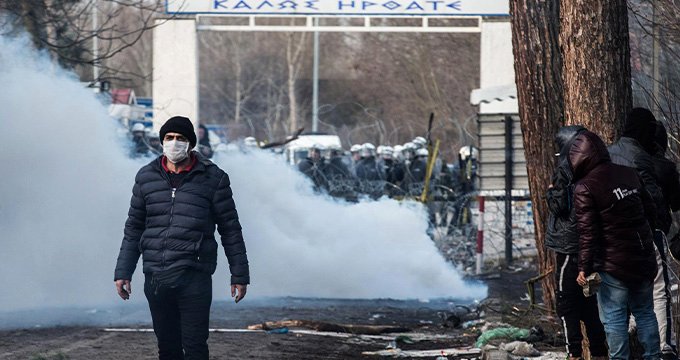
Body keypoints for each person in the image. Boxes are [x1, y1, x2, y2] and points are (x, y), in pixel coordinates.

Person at [114, 116, 250, 360]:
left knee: (195, 346)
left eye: (180, 138)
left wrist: (239, 275)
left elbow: (230, 229)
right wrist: (123, 271)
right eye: (169, 138)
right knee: (167, 347)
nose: (174, 143)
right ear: (162, 141)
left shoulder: (214, 178)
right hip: (156, 276)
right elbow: (134, 228)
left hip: (194, 276)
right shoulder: (146, 177)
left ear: (191, 144)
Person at [570, 130, 660, 360]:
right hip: (642, 256)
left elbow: (588, 233)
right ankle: (654, 355)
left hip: (612, 264)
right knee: (646, 313)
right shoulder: (629, 174)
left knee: (614, 318)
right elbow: (651, 211)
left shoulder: (585, 188)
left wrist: (584, 267)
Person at [609, 108, 674, 359]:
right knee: (656, 291)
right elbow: (652, 197)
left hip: (613, 235)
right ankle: (661, 348)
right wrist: (660, 224)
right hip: (644, 233)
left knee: (616, 297)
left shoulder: (608, 153)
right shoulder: (641, 157)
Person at [545, 126, 607, 360]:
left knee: (567, 302)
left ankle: (574, 353)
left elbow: (559, 205)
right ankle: (599, 352)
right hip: (590, 245)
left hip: (568, 246)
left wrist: (550, 193)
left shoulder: (565, 170)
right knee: (589, 303)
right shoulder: (594, 167)